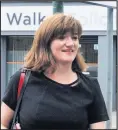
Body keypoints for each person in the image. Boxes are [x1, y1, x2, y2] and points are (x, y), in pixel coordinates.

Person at [1, 13, 109, 129]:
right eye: (62, 37)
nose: (70, 43)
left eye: (74, 37)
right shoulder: (22, 79)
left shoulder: (91, 86)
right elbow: (3, 123)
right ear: (45, 43)